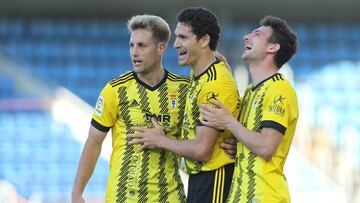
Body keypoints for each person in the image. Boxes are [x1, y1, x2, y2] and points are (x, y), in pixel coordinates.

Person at [71, 14, 190, 203]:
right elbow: (93, 142)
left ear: (161, 48)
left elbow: (201, 139)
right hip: (123, 197)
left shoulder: (184, 89)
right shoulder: (115, 90)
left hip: (169, 197)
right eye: (131, 45)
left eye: (142, 46)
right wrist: (77, 193)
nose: (134, 52)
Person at [128, 7, 241, 203]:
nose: (175, 44)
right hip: (200, 178)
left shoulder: (215, 84)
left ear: (204, 40)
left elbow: (202, 150)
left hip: (214, 178)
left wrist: (159, 140)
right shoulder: (200, 72)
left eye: (183, 37)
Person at [199, 15, 299, 203]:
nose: (246, 37)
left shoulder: (280, 89)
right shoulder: (250, 93)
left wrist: (229, 121)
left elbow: (266, 146)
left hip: (264, 196)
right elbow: (251, 138)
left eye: (257, 34)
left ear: (272, 47)